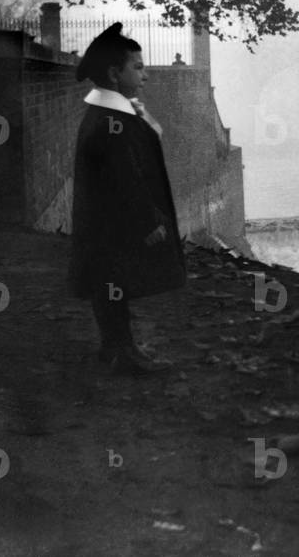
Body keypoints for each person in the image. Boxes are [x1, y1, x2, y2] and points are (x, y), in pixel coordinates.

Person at [66, 23, 186, 375]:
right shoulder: (110, 120)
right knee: (114, 281)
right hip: (115, 220)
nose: (146, 75)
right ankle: (122, 352)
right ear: (114, 73)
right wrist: (147, 220)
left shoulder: (111, 113)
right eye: (138, 67)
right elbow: (124, 175)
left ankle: (117, 346)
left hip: (107, 220)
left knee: (113, 282)